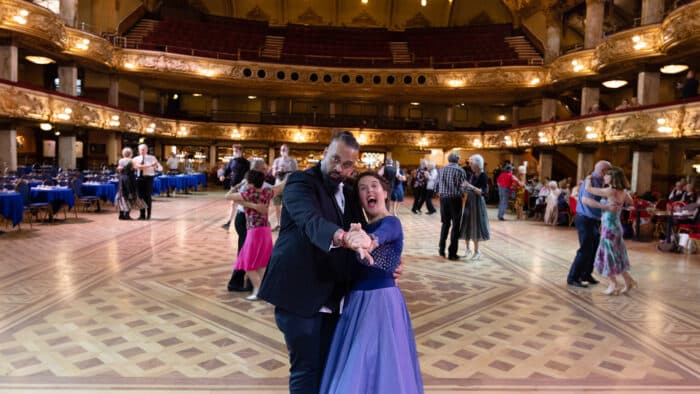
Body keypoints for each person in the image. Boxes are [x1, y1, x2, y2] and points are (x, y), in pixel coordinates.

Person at [257, 131, 376, 394]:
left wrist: (383, 264)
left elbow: (363, 233)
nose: (338, 168)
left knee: (327, 366)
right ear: (325, 153)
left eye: (346, 164)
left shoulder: (349, 189)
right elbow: (312, 222)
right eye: (334, 159)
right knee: (306, 370)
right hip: (300, 294)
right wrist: (344, 237)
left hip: (334, 296)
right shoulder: (300, 182)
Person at [320, 172, 423, 394]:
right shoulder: (358, 230)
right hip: (356, 303)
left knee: (377, 360)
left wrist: (369, 241)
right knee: (358, 360)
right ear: (359, 198)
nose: (370, 191)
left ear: (385, 192)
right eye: (363, 188)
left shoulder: (391, 222)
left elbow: (382, 236)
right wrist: (358, 236)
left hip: (382, 303)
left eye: (374, 186)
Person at [581, 167, 637, 295]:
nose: (604, 177)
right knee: (616, 254)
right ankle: (628, 281)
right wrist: (618, 205)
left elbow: (588, 189)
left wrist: (588, 179)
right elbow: (631, 201)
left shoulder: (610, 190)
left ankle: (613, 284)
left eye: (607, 176)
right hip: (615, 226)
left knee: (608, 255)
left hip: (610, 228)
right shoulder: (622, 191)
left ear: (613, 178)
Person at [225, 158, 275, 293]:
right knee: (245, 252)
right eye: (264, 169)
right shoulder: (250, 184)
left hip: (253, 223)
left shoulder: (262, 184)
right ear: (257, 170)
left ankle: (251, 284)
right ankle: (236, 282)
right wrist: (254, 206)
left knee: (250, 253)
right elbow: (235, 197)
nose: (267, 171)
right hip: (244, 220)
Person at [567, 160, 612, 288]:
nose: (610, 174)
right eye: (609, 171)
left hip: (591, 219)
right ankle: (573, 277)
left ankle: (586, 274)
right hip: (585, 218)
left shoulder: (596, 180)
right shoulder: (593, 180)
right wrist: (604, 207)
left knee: (593, 247)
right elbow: (586, 200)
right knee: (585, 249)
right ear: (603, 171)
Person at [435, 152, 467, 260]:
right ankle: (452, 253)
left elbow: (436, 186)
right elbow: (463, 187)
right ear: (457, 160)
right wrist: (463, 193)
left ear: (448, 160)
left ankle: (441, 250)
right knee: (455, 226)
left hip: (443, 200)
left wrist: (441, 193)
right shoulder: (460, 170)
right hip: (455, 200)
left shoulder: (441, 170)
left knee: (445, 224)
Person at [459, 154, 490, 260]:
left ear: (477, 165)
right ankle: (468, 249)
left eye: (472, 164)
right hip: (469, 201)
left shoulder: (483, 175)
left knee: (476, 225)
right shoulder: (472, 174)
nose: (470, 165)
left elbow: (484, 192)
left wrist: (470, 186)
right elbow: (469, 188)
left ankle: (477, 251)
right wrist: (463, 188)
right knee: (466, 224)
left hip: (477, 202)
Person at [221, 145, 250, 229]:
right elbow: (227, 170)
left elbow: (249, 173)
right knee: (233, 204)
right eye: (233, 151)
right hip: (233, 184)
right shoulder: (232, 161)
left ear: (241, 151)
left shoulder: (246, 162)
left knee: (241, 203)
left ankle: (245, 221)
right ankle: (229, 222)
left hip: (242, 185)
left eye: (236, 151)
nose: (234, 152)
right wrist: (223, 175)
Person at [132, 144, 162, 220]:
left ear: (147, 150)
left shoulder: (152, 158)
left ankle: (148, 214)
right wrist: (150, 165)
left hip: (149, 178)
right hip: (139, 179)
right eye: (141, 149)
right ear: (138, 150)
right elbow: (134, 167)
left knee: (148, 197)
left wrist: (155, 166)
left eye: (144, 149)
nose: (142, 151)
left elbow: (160, 168)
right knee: (140, 197)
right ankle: (142, 215)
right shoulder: (135, 159)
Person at [271, 144, 298, 231]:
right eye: (281, 149)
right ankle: (278, 224)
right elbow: (273, 173)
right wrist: (278, 171)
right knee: (277, 206)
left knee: (287, 206)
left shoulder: (292, 161)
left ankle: (287, 224)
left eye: (284, 149)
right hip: (277, 185)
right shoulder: (276, 161)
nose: (282, 150)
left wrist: (286, 172)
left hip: (288, 186)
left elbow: (295, 174)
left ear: (288, 150)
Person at [115, 147, 143, 220]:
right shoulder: (132, 160)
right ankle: (127, 214)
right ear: (130, 154)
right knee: (130, 195)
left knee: (122, 195)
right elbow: (136, 168)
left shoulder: (120, 160)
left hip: (122, 179)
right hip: (129, 179)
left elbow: (119, 169)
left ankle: (121, 214)